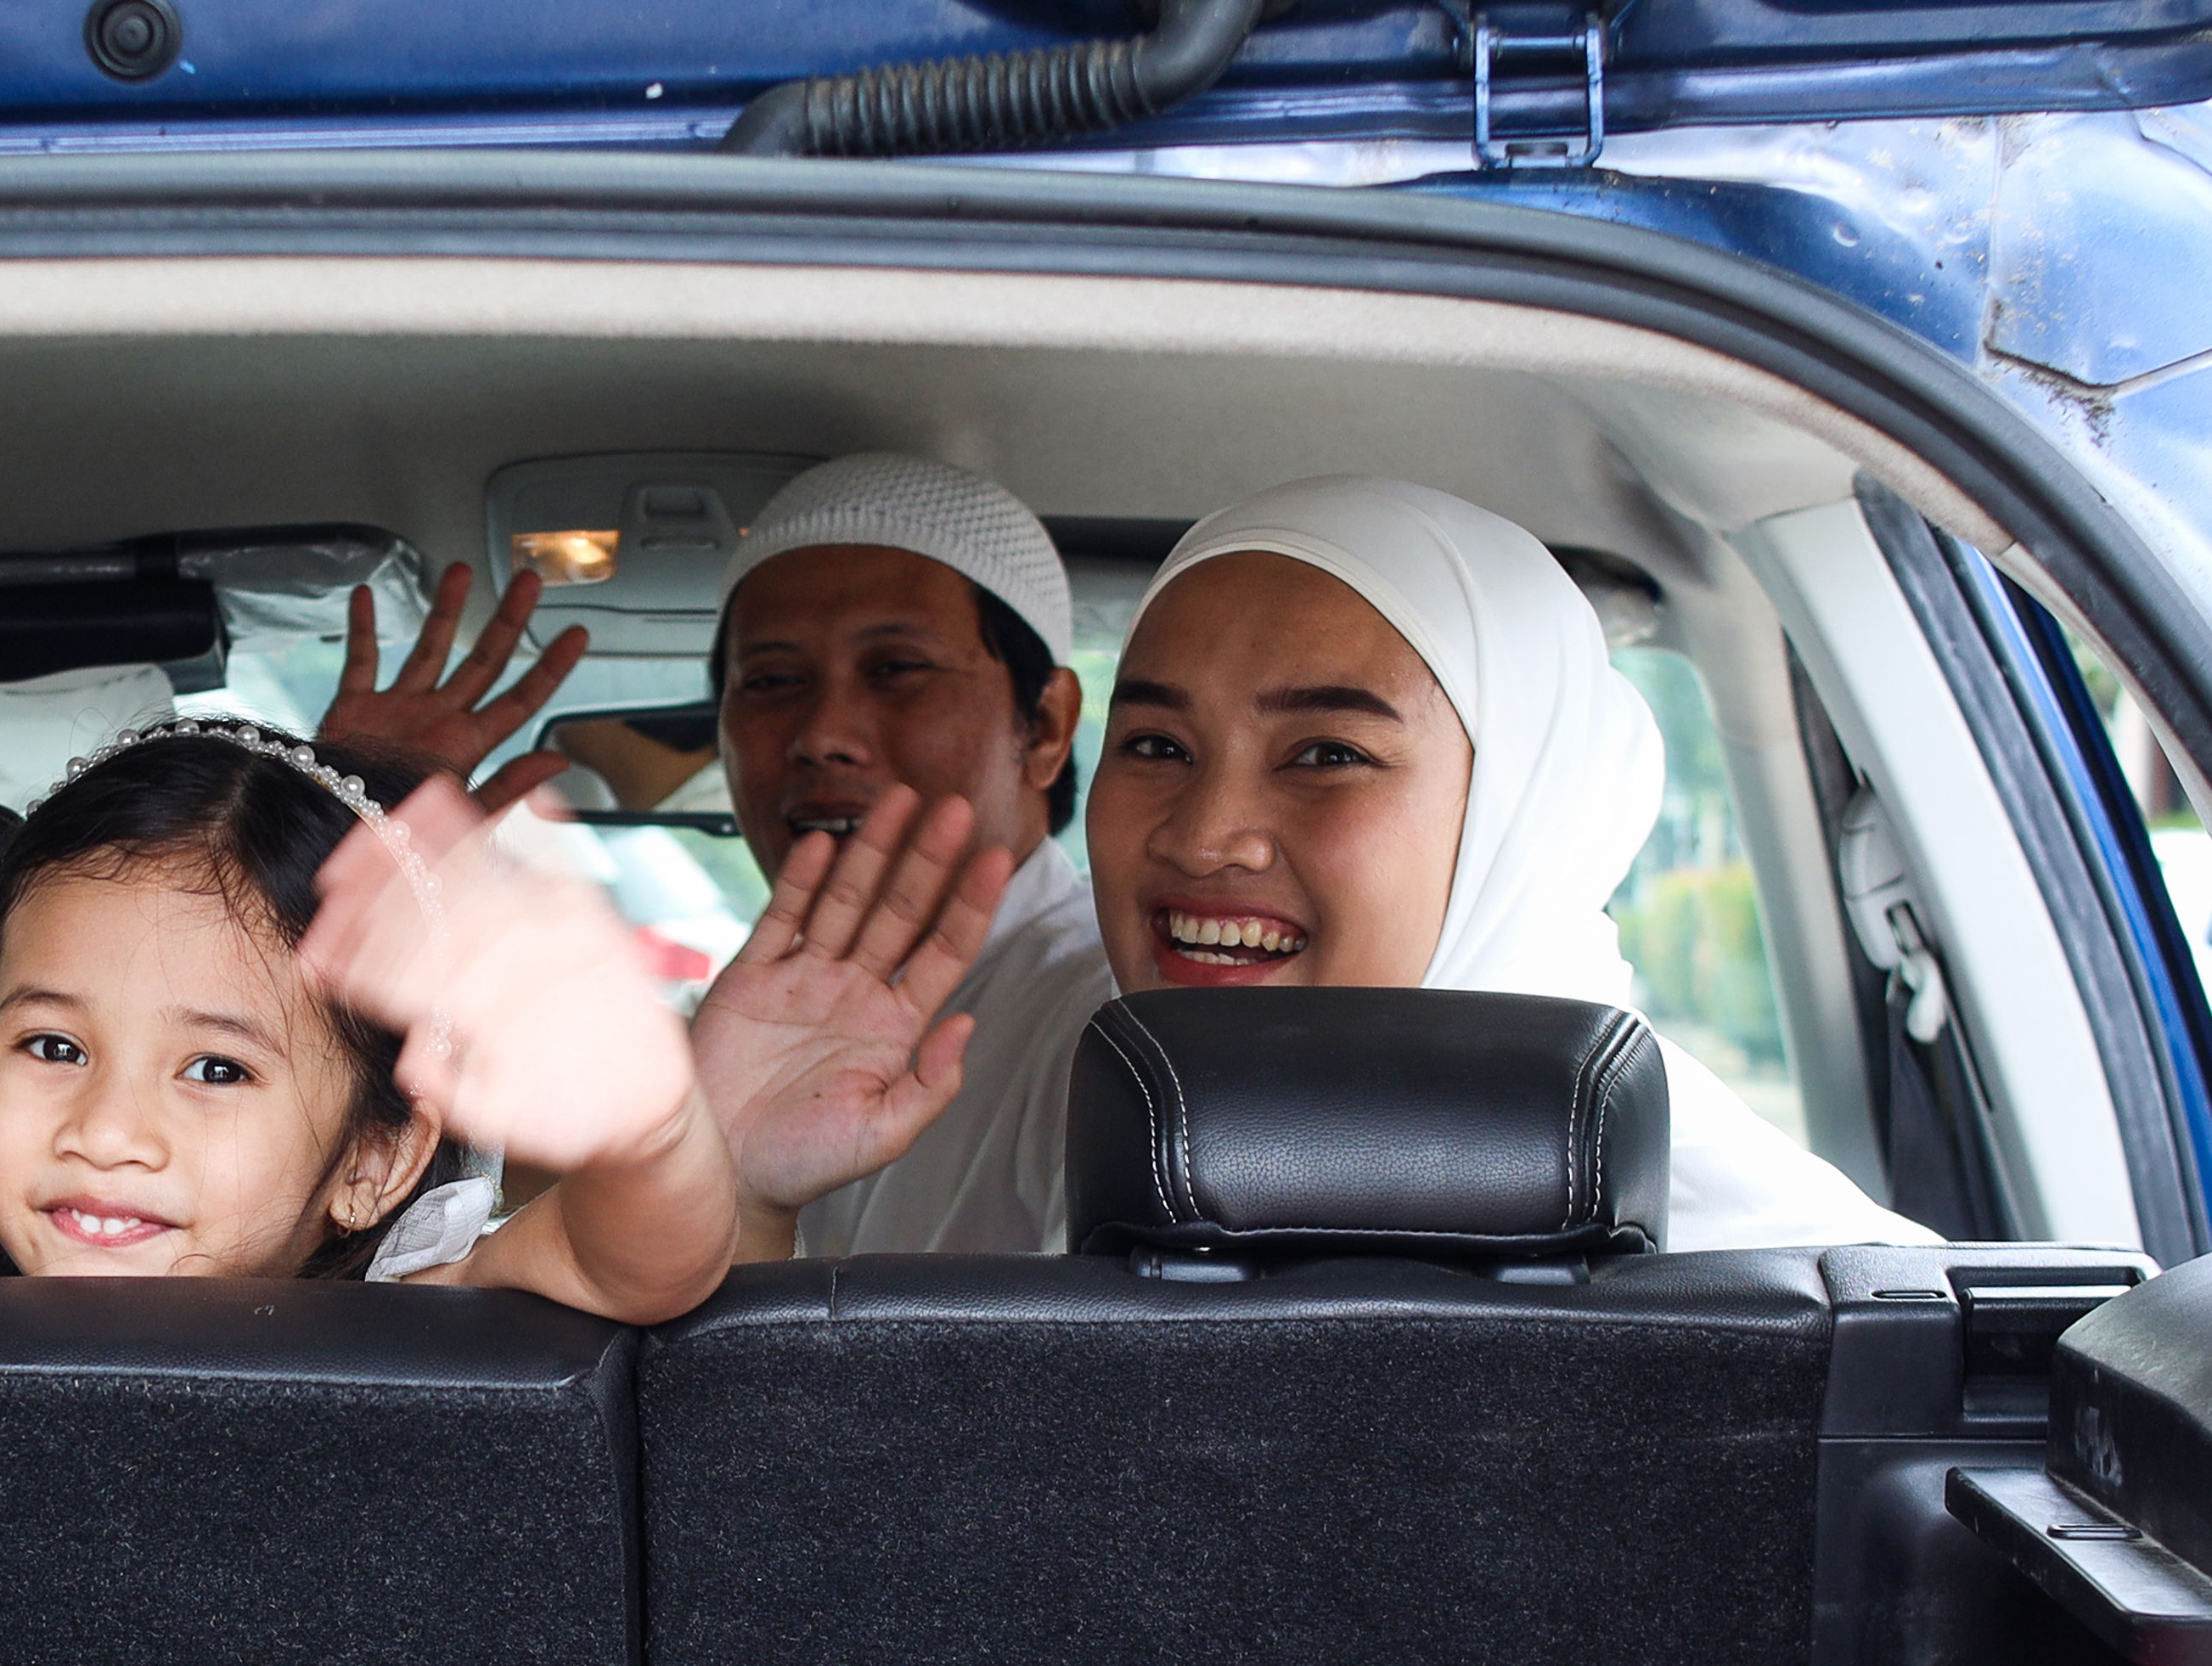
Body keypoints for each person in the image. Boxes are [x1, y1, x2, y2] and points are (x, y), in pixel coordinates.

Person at [1084, 476, 1937, 1250]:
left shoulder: (1816, 1300)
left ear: (1524, 814)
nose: (1202, 838)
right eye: (1156, 745)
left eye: (1327, 755)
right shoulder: (1063, 1135)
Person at [316, 455, 1117, 1258]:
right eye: (771, 681)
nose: (822, 736)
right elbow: (445, 1156)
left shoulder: (1104, 1026)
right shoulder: (753, 1019)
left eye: (896, 670)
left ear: (1045, 725)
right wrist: (338, 818)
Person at [0, 719, 743, 1318]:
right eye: (54, 1047)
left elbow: (639, 1265)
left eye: (217, 1070)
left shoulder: (412, 1310)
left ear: (375, 1159)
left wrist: (643, 1130)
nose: (104, 1134)